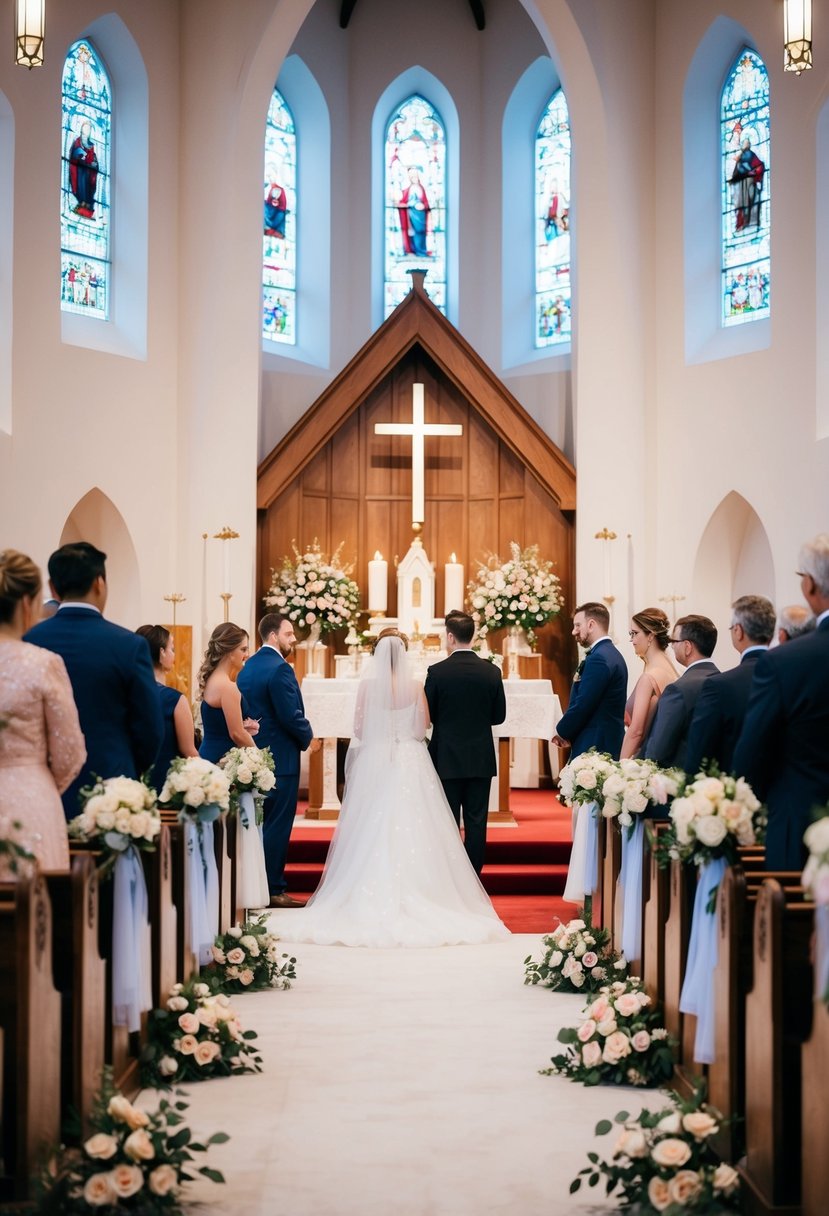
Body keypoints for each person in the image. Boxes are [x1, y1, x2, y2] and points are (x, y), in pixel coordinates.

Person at [268, 632, 508, 947]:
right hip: (411, 757)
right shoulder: (414, 685)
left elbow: (358, 728)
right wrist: (404, 737)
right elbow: (423, 726)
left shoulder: (368, 686)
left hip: (376, 758)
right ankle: (432, 891)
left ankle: (364, 890)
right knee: (422, 822)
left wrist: (383, 735)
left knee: (371, 822)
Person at [25, 542, 162, 819]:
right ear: (100, 583)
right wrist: (127, 769)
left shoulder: (29, 641)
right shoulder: (129, 645)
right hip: (112, 787)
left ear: (52, 587)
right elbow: (150, 728)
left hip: (46, 791)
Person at [733, 534, 829, 870]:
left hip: (800, 823)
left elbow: (751, 753)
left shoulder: (785, 663)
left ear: (811, 586)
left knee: (794, 922)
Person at [0, 550, 86, 870]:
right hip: (30, 801)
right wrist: (34, 780)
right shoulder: (43, 663)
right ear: (26, 603)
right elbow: (70, 753)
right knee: (35, 907)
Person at [237, 612, 318, 907]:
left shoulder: (247, 668)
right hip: (281, 759)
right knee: (277, 825)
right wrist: (309, 737)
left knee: (260, 824)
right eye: (289, 634)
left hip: (254, 757)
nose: (293, 639)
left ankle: (256, 886)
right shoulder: (280, 669)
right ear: (273, 636)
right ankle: (272, 888)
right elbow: (289, 713)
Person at [424, 612, 507, 875]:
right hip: (480, 759)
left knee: (447, 822)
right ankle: (473, 878)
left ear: (450, 636)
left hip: (446, 758)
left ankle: (451, 878)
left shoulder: (437, 672)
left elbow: (429, 716)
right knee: (476, 822)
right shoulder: (492, 672)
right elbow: (499, 716)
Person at [684, 595, 775, 777]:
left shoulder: (719, 686)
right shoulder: (791, 676)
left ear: (738, 631)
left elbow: (699, 753)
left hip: (735, 791)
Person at [552, 602, 627, 760]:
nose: (574, 632)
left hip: (595, 744)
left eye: (578, 625)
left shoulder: (599, 658)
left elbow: (584, 703)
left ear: (591, 624)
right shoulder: (611, 653)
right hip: (605, 739)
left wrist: (562, 731)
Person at [643, 615, 718, 771]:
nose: (672, 646)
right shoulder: (723, 680)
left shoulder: (678, 689)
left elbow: (658, 749)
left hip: (680, 778)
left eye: (674, 642)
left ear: (687, 647)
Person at [135, 625, 198, 795]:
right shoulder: (175, 699)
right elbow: (189, 752)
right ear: (162, 652)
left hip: (133, 783)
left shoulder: (128, 694)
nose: (174, 654)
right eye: (172, 648)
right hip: (166, 785)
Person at [196, 623, 259, 764]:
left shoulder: (212, 679)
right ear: (229, 651)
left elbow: (220, 723)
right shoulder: (228, 687)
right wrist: (260, 759)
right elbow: (236, 734)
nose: (247, 655)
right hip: (221, 760)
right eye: (243, 649)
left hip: (207, 754)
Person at [620, 607, 677, 759]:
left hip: (643, 756)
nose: (631, 639)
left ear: (650, 635)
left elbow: (636, 731)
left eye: (635, 633)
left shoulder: (650, 677)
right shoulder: (668, 668)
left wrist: (620, 766)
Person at [730, 137, 765, 232]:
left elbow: (759, 166)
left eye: (747, 143)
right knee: (741, 203)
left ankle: (750, 223)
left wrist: (752, 172)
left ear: (749, 145)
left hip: (749, 181)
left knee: (750, 200)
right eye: (744, 144)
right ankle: (742, 223)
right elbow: (736, 172)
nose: (745, 145)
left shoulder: (752, 155)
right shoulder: (740, 157)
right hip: (741, 184)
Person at [67, 120, 99, 219]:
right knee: (81, 185)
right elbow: (74, 154)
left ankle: (87, 206)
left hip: (89, 172)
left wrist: (94, 163)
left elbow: (94, 158)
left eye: (89, 129)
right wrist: (79, 155)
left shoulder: (91, 145)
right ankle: (82, 204)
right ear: (81, 129)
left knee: (89, 187)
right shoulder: (77, 142)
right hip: (79, 170)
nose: (87, 130)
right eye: (85, 128)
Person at [397, 167, 431, 257]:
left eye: (415, 175)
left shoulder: (421, 188)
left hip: (420, 215)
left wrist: (423, 206)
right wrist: (412, 204)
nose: (414, 178)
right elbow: (404, 201)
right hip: (411, 214)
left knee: (420, 232)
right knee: (412, 232)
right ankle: (412, 250)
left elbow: (426, 202)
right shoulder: (408, 189)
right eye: (411, 176)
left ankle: (421, 251)